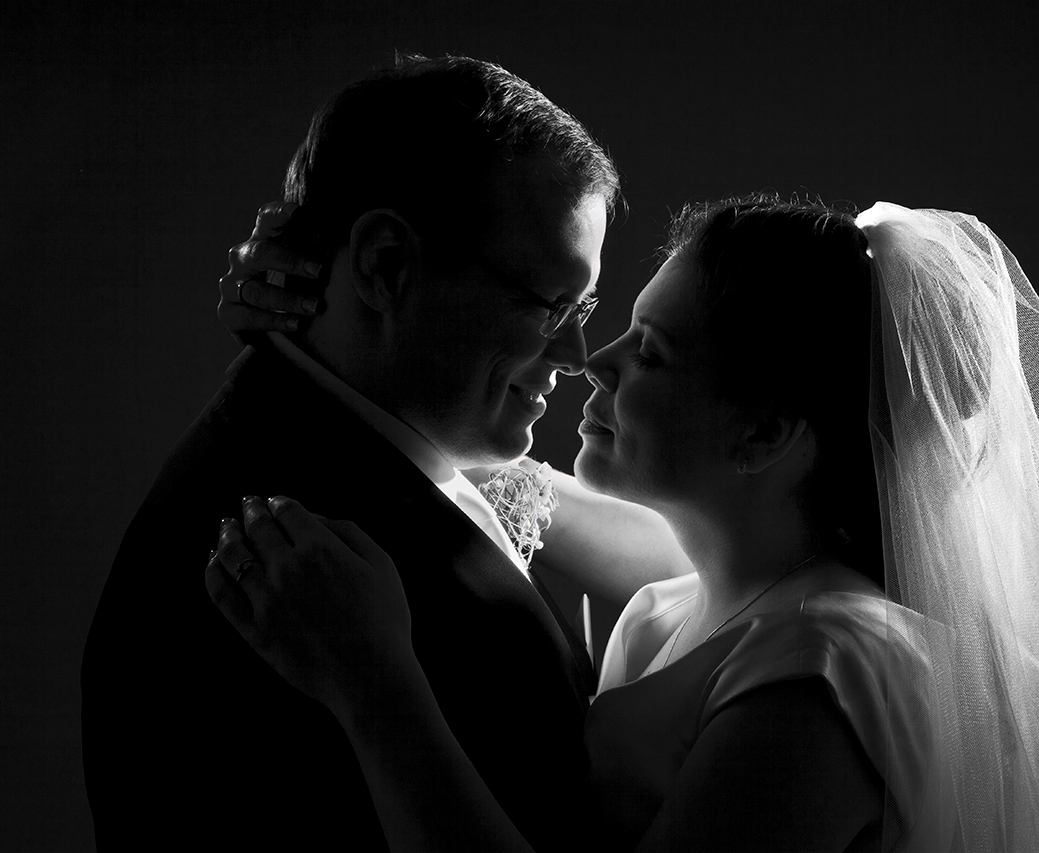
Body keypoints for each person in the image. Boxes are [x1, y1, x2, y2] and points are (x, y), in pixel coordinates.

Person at [208, 195, 1039, 851]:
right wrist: (333, 308)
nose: (593, 360)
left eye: (650, 352)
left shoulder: (824, 676)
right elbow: (496, 477)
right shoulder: (680, 601)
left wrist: (374, 688)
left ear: (762, 433)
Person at [81, 54, 689, 851]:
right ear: (385, 264)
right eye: (549, 305)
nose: (577, 354)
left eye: (584, 305)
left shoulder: (360, 437)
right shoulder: (291, 556)